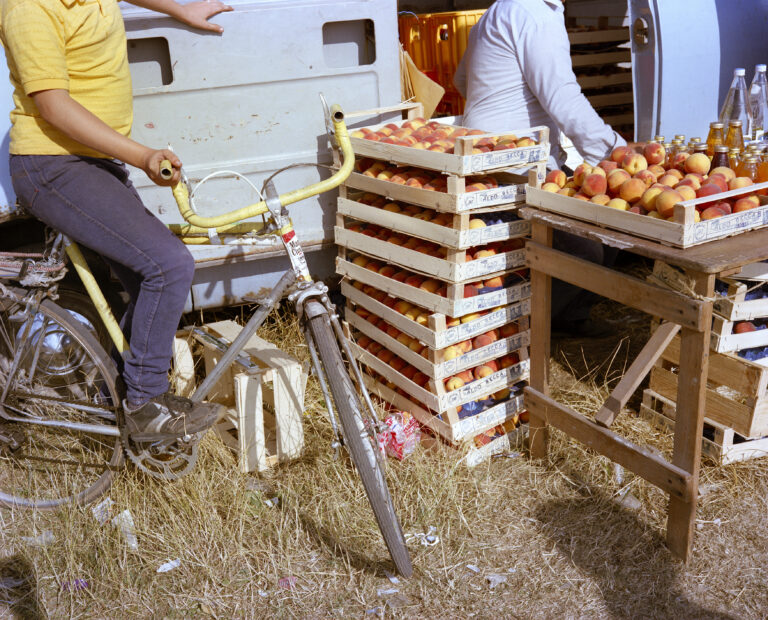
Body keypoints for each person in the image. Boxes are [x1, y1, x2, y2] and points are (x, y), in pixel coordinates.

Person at [0, 0, 233, 439]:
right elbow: (52, 106)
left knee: (141, 282)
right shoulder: (27, 8)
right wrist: (142, 155)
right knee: (168, 265)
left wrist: (180, 10)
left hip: (88, 160)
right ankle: (145, 404)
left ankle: (117, 405)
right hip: (53, 165)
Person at [454, 0, 627, 336]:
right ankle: (527, 328)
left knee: (585, 236)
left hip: (488, 153)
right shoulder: (534, 14)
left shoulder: (497, 11)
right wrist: (615, 151)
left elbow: (462, 80)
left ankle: (565, 316)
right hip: (516, 161)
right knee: (593, 244)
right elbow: (563, 98)